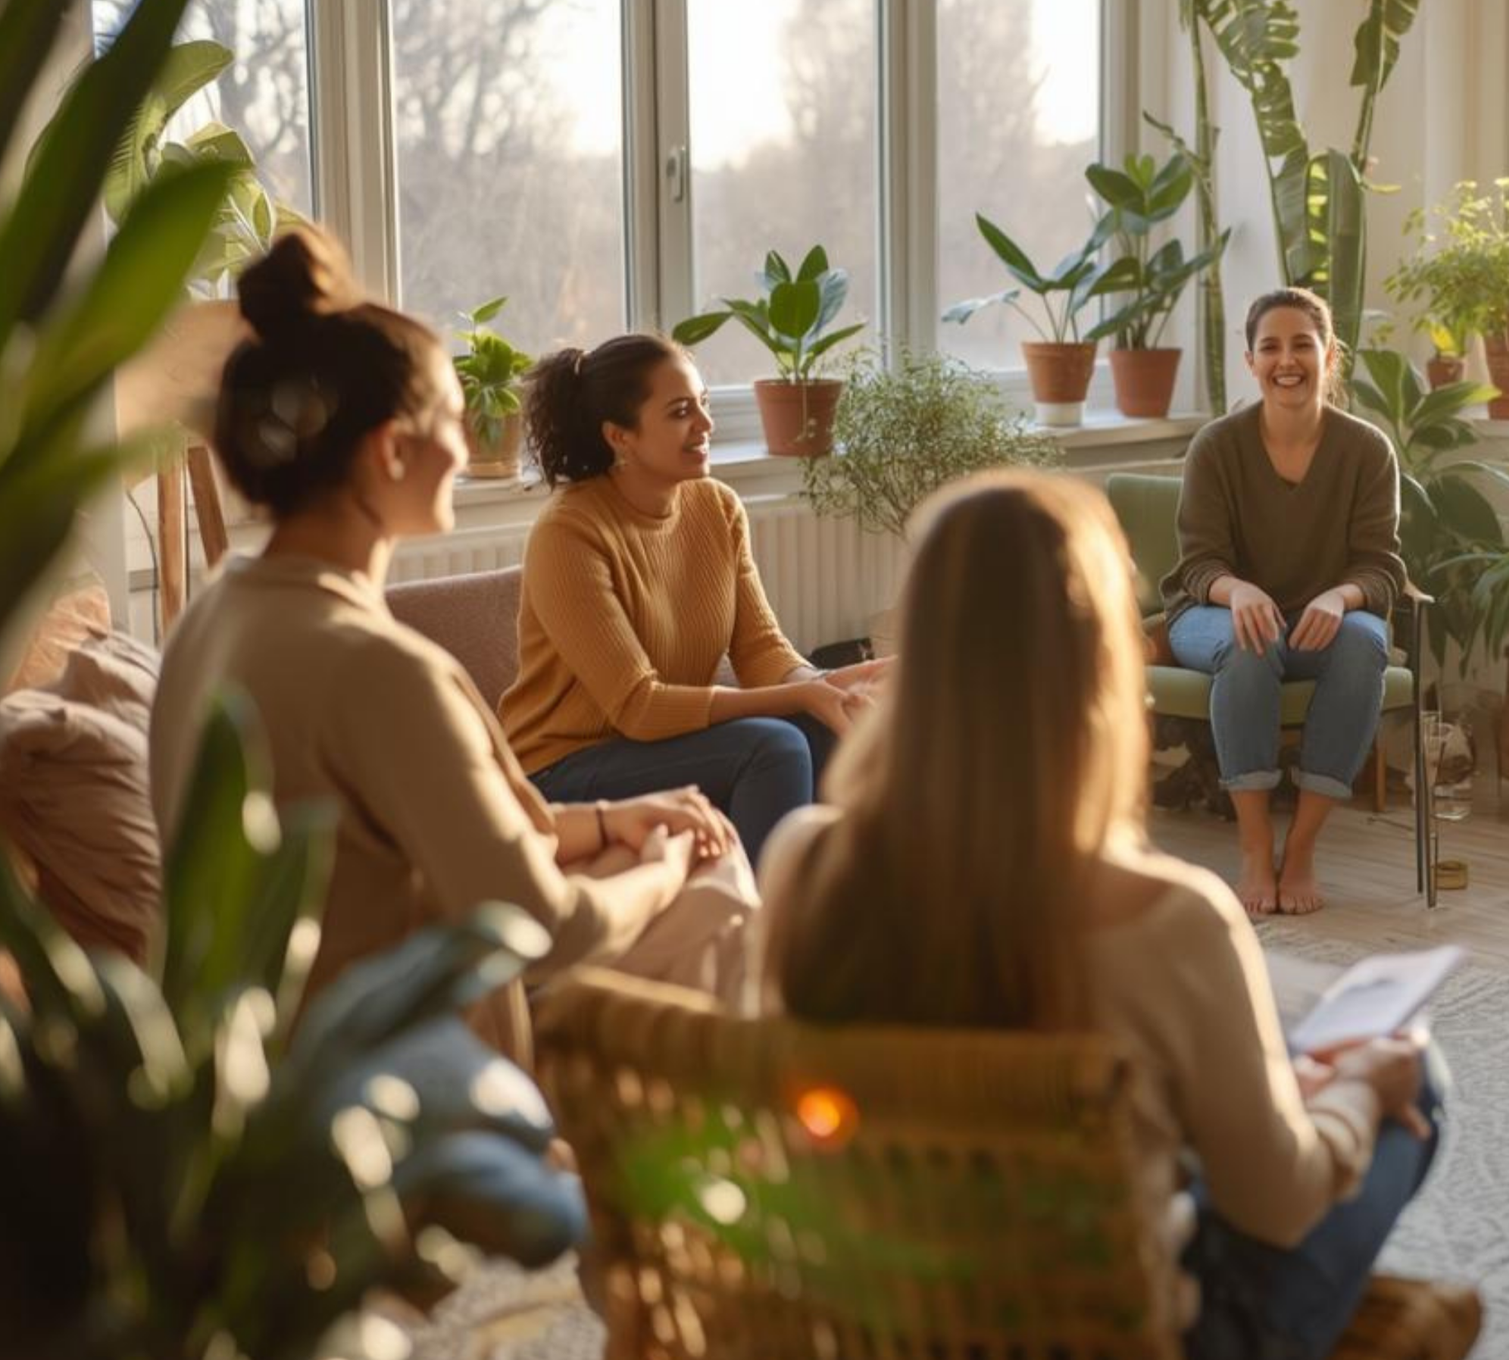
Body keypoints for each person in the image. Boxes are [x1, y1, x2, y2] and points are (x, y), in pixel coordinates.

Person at [757, 471, 1441, 1360]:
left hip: (889, 1318)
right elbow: (1278, 1204)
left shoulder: (806, 860)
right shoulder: (1171, 918)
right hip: (1118, 1331)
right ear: (1103, 663)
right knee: (1415, 1080)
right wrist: (1358, 1091)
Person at [152, 228, 756, 1015]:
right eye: (451, 416)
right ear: (389, 452)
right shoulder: (382, 670)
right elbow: (544, 924)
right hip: (389, 1084)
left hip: (264, 1068)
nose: (467, 441)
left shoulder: (213, 613)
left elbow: (459, 834)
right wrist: (669, 865)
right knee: (720, 886)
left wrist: (610, 818)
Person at [500, 334, 885, 861]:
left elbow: (761, 651)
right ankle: (758, 935)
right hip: (561, 769)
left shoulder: (716, 506)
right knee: (774, 746)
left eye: (703, 404)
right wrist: (801, 696)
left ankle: (820, 920)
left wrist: (826, 686)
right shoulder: (568, 533)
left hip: (658, 747)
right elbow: (638, 707)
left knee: (827, 726)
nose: (705, 425)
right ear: (620, 436)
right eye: (681, 412)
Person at [1163, 288, 1405, 917]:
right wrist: (1239, 590)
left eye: (1303, 344)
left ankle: (1300, 848)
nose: (1287, 360)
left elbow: (1381, 566)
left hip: (1318, 624)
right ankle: (1252, 848)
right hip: (1213, 614)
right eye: (1270, 346)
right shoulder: (1216, 446)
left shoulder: (1367, 450)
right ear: (1251, 362)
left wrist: (1340, 595)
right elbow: (1197, 566)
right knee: (1253, 637)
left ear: (1330, 356)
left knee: (1366, 642)